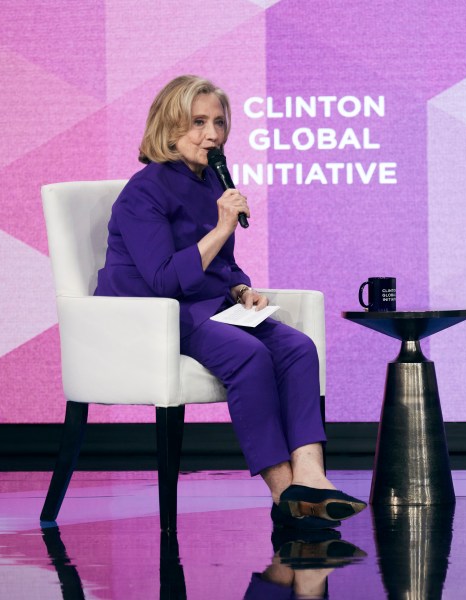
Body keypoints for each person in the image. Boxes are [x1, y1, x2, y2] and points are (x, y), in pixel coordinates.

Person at [95, 75, 366, 528]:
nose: (213, 135)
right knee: (249, 355)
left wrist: (242, 289)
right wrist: (222, 226)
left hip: (209, 305)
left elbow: (222, 265)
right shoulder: (143, 191)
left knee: (298, 348)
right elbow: (163, 280)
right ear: (169, 128)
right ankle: (285, 496)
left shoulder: (208, 183)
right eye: (198, 122)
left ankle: (313, 478)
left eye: (219, 122)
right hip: (155, 312)